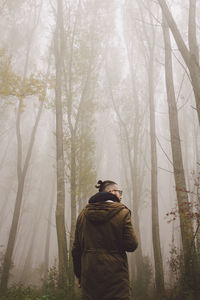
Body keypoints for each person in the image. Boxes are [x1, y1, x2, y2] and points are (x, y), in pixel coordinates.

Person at [72, 180, 138, 300]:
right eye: (119, 192)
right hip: (116, 279)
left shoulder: (82, 215)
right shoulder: (122, 213)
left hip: (90, 278)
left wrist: (80, 275)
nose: (121, 196)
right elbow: (131, 245)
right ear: (112, 192)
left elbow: (76, 250)